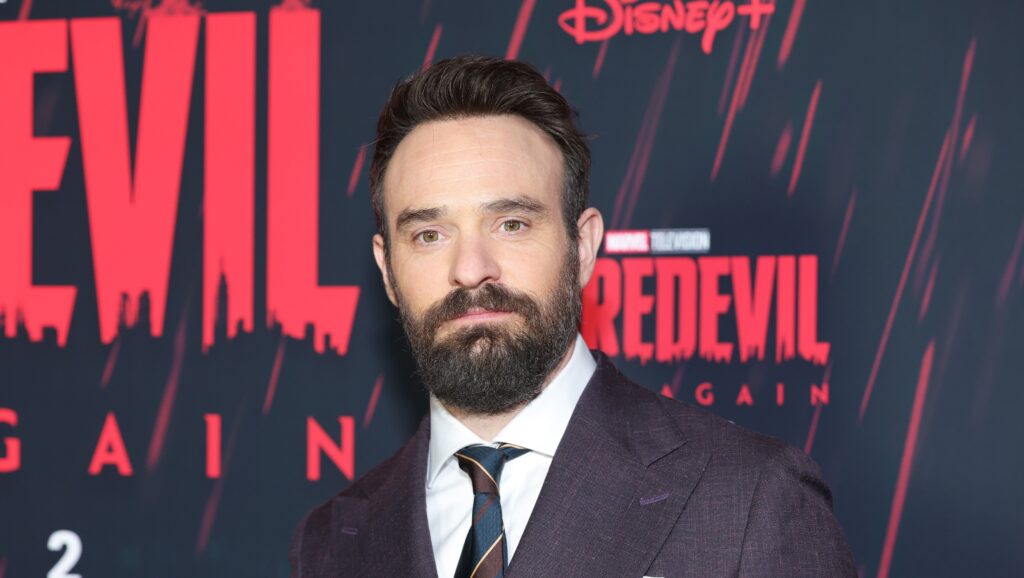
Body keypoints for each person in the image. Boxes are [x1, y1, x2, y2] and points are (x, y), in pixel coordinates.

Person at [288, 54, 857, 578]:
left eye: (511, 224)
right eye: (429, 235)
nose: (471, 268)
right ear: (387, 270)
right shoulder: (331, 543)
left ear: (582, 247)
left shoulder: (750, 498)